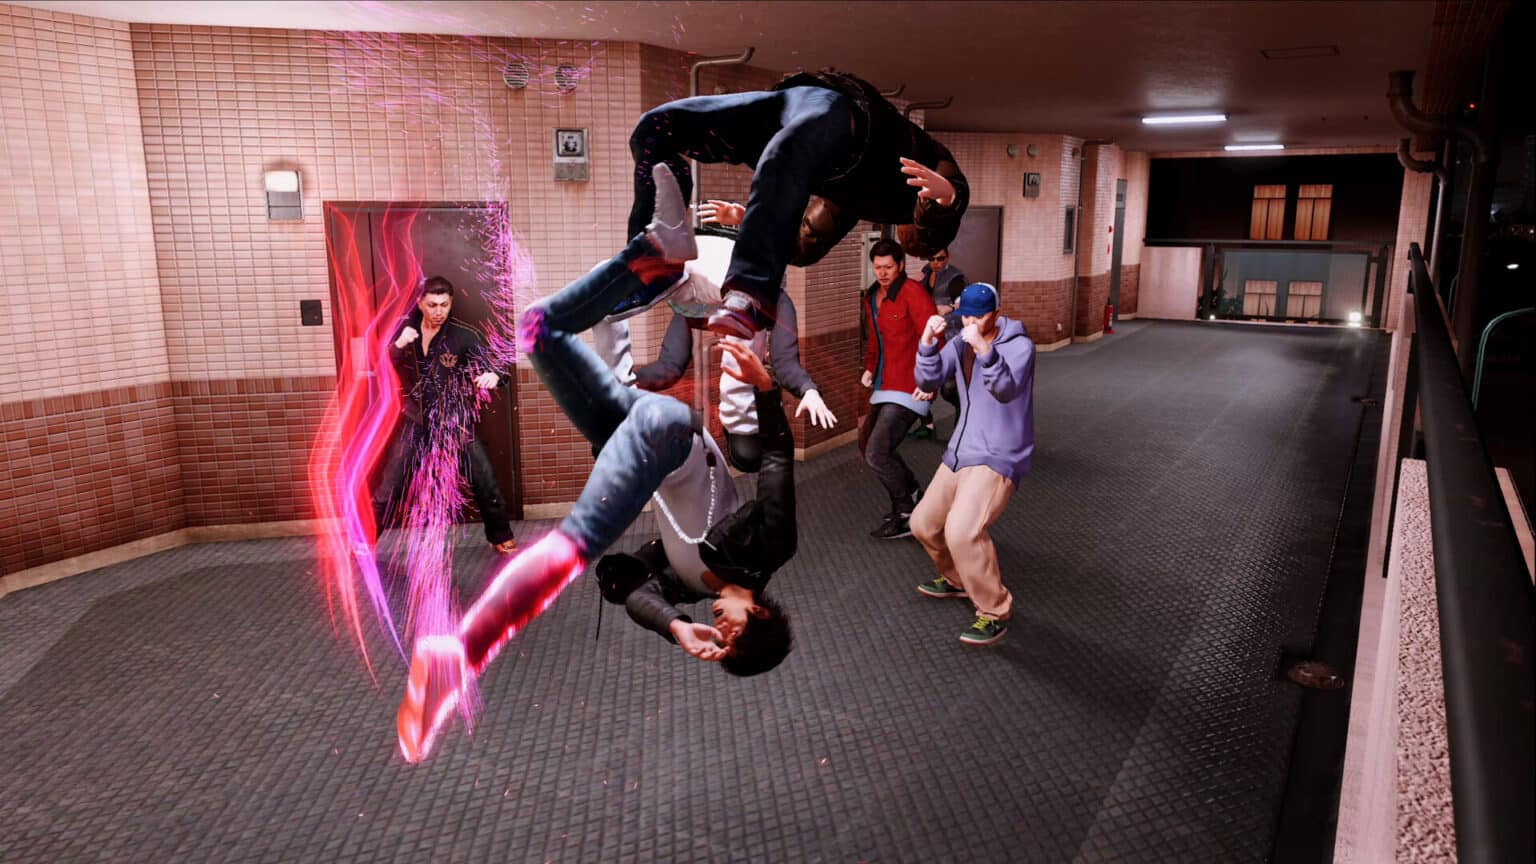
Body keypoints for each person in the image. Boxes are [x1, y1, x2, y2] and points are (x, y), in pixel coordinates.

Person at [395, 167, 797, 764]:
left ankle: (656, 250)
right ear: (758, 611)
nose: (720, 624)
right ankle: (460, 656)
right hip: (666, 436)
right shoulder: (769, 549)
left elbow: (633, 592)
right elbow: (778, 458)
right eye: (734, 629)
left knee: (539, 328)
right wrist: (765, 389)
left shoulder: (688, 584)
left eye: (722, 637)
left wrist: (675, 626)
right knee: (574, 544)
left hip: (629, 432)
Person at [619, 69, 969, 339]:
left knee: (657, 127)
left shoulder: (849, 201)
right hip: (829, 111)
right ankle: (663, 258)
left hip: (795, 111)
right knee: (663, 131)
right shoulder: (932, 165)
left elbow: (803, 245)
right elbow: (952, 196)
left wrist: (746, 219)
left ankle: (734, 288)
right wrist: (946, 197)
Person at [625, 222, 837, 471]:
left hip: (714, 291)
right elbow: (783, 362)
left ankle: (622, 383)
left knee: (723, 364)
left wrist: (807, 389)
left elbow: (784, 362)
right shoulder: (703, 286)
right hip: (707, 287)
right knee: (684, 364)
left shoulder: (766, 303)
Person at [910, 283, 1035, 646]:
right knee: (922, 524)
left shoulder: (1020, 347)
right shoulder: (960, 344)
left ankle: (995, 610)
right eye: (966, 317)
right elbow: (927, 379)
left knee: (962, 532)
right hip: (961, 449)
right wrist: (927, 344)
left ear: (995, 313)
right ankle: (958, 579)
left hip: (999, 454)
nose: (970, 323)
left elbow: (1004, 390)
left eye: (979, 317)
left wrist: (985, 351)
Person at [372, 277, 516, 553]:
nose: (439, 311)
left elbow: (494, 368)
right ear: (420, 303)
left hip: (453, 420)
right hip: (414, 420)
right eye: (432, 305)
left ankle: (500, 536)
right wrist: (398, 345)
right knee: (390, 483)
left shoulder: (464, 335)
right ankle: (365, 540)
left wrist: (493, 377)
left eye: (444, 305)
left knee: (484, 480)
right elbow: (380, 367)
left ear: (451, 304)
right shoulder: (405, 331)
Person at [860, 238, 939, 540]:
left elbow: (935, 339)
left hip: (910, 386)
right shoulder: (872, 297)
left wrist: (930, 383)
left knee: (877, 452)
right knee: (867, 445)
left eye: (888, 267)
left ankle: (905, 513)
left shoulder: (914, 293)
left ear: (901, 266)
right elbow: (875, 339)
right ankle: (914, 493)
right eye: (878, 267)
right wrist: (870, 367)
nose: (882, 273)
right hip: (883, 383)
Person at [911, 248, 967, 439]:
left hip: (950, 337)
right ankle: (927, 424)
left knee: (949, 388)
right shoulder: (925, 272)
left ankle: (962, 415)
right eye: (932, 258)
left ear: (947, 257)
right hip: (927, 336)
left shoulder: (955, 278)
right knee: (919, 382)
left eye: (940, 259)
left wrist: (949, 309)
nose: (936, 263)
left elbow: (965, 307)